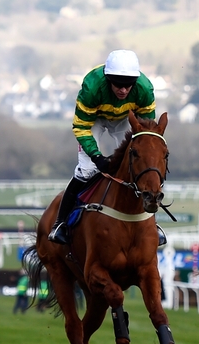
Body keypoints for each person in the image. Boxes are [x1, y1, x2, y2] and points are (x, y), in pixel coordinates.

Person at [47, 50, 165, 247]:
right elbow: (81, 126)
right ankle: (60, 224)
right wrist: (97, 156)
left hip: (124, 121)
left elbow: (147, 130)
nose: (123, 90)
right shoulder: (92, 85)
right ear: (108, 78)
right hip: (94, 121)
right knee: (86, 171)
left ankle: (152, 223)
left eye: (128, 85)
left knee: (143, 169)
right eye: (118, 83)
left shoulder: (144, 88)